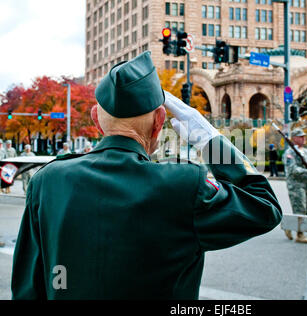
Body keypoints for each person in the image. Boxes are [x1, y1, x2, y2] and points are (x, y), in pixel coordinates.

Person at [11, 51, 282, 300]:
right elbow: (264, 208)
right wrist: (209, 139)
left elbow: (28, 290)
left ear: (96, 119)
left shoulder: (47, 181)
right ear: (159, 122)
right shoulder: (185, 185)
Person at [283, 129, 307, 243]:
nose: (303, 138)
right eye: (300, 136)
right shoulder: (289, 153)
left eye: (304, 136)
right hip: (295, 185)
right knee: (300, 209)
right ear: (294, 138)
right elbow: (292, 169)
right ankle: (300, 234)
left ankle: (288, 225)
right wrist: (306, 172)